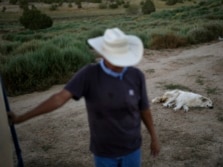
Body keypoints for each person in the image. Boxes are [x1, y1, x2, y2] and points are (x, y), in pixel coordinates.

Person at [8, 27, 160, 167]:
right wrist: (22, 118)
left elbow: (144, 109)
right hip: (104, 153)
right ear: (103, 53)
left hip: (132, 149)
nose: (120, 62)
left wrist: (154, 137)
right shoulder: (89, 75)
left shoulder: (136, 76)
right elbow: (59, 98)